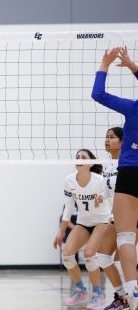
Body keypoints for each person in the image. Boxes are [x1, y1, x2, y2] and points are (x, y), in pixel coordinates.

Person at [92, 46, 138, 308]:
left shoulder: (132, 109)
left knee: (125, 238)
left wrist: (105, 64)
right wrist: (133, 66)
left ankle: (132, 296)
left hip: (131, 171)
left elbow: (97, 94)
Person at [53, 149, 110, 308]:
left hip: (101, 221)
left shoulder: (99, 180)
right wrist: (61, 231)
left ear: (91, 163)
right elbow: (68, 207)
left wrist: (101, 198)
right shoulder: (69, 180)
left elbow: (109, 197)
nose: (79, 159)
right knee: (67, 255)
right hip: (83, 222)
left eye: (83, 157)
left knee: (89, 254)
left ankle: (98, 294)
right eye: (77, 157)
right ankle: (80, 290)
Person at [95, 127, 131, 309]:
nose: (107, 140)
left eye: (112, 137)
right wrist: (100, 195)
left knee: (122, 259)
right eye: (106, 137)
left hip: (132, 217)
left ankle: (133, 297)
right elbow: (108, 190)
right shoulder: (108, 167)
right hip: (115, 216)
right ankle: (122, 296)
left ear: (123, 141)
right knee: (101, 256)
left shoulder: (128, 163)